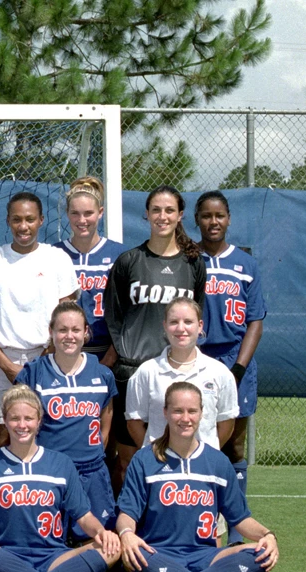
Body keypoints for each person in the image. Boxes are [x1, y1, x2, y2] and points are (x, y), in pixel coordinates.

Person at [116, 381, 277, 572]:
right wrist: (127, 535)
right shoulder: (145, 459)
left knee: (260, 554)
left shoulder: (218, 462)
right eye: (177, 411)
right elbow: (127, 513)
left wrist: (268, 536)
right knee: (136, 555)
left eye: (192, 411)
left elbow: (240, 518)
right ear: (165, 413)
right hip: (158, 554)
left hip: (206, 556)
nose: (185, 418)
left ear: (202, 413)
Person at [0, 385, 121, 572]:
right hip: (6, 554)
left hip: (55, 557)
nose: (22, 425)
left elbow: (83, 516)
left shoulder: (61, 463)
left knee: (112, 548)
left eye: (28, 418)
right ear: (5, 421)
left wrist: (101, 533)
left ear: (39, 421)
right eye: (15, 418)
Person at [103, 186, 206, 485]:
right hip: (133, 370)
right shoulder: (128, 261)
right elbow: (115, 315)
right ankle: (127, 527)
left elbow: (194, 312)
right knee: (128, 459)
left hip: (177, 371)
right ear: (146, 214)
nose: (163, 216)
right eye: (156, 210)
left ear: (180, 215)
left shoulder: (193, 263)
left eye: (169, 210)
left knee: (177, 454)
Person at [0, 192, 80, 442]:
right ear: (8, 221)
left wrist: (41, 360)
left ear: (41, 220)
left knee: (45, 429)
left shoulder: (58, 259)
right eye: (17, 219)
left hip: (48, 358)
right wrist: (6, 365)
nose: (23, 226)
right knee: (1, 434)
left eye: (30, 219)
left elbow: (67, 320)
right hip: (1, 359)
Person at [16, 301, 117, 541]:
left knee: (100, 540)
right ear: (51, 332)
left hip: (91, 471)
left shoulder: (102, 373)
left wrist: (96, 450)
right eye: (62, 330)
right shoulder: (35, 372)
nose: (69, 336)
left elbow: (107, 414)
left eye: (75, 330)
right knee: (47, 540)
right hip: (50, 472)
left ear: (86, 332)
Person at [194, 191, 265, 489]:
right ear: (197, 220)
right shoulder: (188, 260)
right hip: (197, 358)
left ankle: (237, 523)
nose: (213, 221)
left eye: (219, 215)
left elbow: (255, 321)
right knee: (194, 437)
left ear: (229, 219)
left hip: (236, 359)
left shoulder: (245, 264)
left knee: (233, 444)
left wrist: (238, 369)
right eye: (207, 216)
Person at [125, 296, 238, 454]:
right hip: (159, 467)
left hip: (204, 468)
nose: (181, 328)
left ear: (200, 326)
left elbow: (226, 422)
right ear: (164, 326)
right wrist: (155, 455)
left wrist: (205, 455)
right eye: (173, 322)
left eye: (188, 322)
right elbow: (134, 422)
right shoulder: (146, 372)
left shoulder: (220, 373)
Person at [58, 176, 125, 361]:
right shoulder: (54, 254)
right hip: (64, 351)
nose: (82, 220)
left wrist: (110, 358)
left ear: (100, 212)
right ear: (67, 213)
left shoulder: (120, 254)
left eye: (88, 213)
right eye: (75, 213)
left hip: (109, 351)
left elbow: (127, 313)